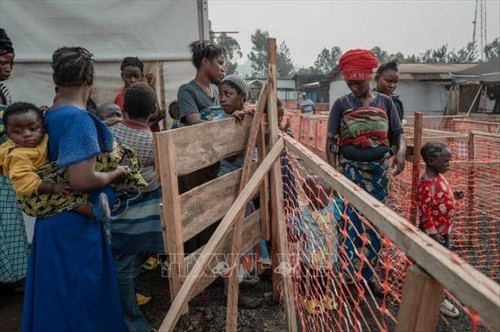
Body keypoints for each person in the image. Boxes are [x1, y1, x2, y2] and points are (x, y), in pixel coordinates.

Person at [22, 46, 127, 331]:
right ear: (90, 79)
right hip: (75, 227)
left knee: (54, 300)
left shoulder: (49, 116)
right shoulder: (79, 120)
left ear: (56, 78)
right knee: (80, 304)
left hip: (51, 223)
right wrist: (115, 173)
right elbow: (82, 180)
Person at [326, 49, 407, 297]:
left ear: (369, 78)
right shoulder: (341, 105)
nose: (354, 87)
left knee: (374, 224)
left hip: (379, 176)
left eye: (359, 83)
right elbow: (331, 141)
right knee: (349, 222)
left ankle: (370, 274)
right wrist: (334, 174)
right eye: (350, 83)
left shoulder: (386, 103)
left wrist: (401, 153)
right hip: (350, 173)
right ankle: (349, 276)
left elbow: (398, 134)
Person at [110, 82, 164, 331]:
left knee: (123, 266)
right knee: (126, 269)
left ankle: (126, 314)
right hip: (144, 219)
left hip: (118, 216)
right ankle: (129, 320)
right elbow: (157, 173)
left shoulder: (111, 133)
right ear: (153, 110)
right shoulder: (152, 141)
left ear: (124, 108)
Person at [0, 102, 110, 221]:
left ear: (43, 126)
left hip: (40, 185)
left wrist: (44, 112)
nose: (27, 134)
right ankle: (93, 212)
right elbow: (25, 182)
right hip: (32, 198)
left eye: (32, 129)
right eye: (17, 132)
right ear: (8, 134)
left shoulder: (40, 138)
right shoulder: (17, 156)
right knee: (65, 196)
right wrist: (52, 188)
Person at [418, 141, 464, 318]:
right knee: (435, 266)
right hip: (435, 236)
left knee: (438, 264)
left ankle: (431, 294)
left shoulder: (439, 177)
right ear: (431, 160)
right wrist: (433, 233)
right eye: (446, 161)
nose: (449, 165)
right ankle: (435, 299)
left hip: (444, 232)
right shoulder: (426, 184)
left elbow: (441, 197)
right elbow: (425, 212)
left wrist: (454, 196)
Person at [176, 40, 226, 194]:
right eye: (220, 62)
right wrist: (224, 126)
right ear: (205, 62)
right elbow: (194, 121)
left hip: (214, 159)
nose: (224, 68)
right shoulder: (187, 91)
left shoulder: (217, 91)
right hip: (195, 162)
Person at [0, 27, 29, 288]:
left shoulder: (4, 91)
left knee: (7, 224)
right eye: (2, 62)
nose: (8, 68)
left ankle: (8, 277)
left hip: (4, 170)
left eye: (11, 62)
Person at [295, 176, 344, 315]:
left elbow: (340, 206)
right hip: (311, 252)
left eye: (329, 196)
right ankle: (308, 297)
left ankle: (321, 296)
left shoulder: (331, 207)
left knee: (324, 276)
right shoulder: (305, 214)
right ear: (311, 197)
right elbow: (298, 230)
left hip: (327, 252)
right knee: (308, 274)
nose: (328, 199)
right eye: (324, 197)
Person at [114, 56, 165, 131]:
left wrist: (152, 88)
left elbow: (155, 114)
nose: (132, 80)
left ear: (142, 76)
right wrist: (156, 120)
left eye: (136, 76)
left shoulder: (145, 92)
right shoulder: (121, 98)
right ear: (122, 76)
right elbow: (131, 128)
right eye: (128, 76)